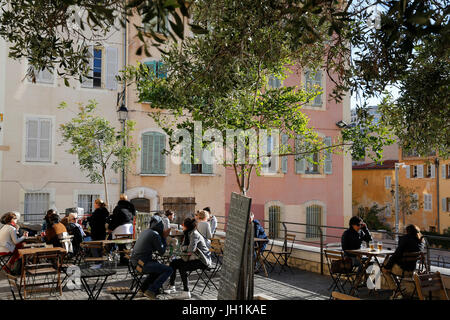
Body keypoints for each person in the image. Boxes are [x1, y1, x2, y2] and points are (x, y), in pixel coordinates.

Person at [168, 218, 212, 299]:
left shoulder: (194, 234)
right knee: (173, 263)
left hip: (202, 260)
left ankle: (186, 292)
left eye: (183, 225)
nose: (182, 226)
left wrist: (184, 248)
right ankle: (172, 286)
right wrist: (185, 248)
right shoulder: (188, 233)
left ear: (187, 226)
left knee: (183, 268)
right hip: (193, 258)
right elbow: (187, 248)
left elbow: (190, 250)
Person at [130, 215, 172, 300]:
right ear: (160, 226)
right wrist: (164, 237)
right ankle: (151, 290)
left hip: (135, 263)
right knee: (169, 269)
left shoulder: (146, 231)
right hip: (141, 265)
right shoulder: (154, 234)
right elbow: (162, 252)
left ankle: (143, 289)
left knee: (157, 267)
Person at [382, 224, 425, 294]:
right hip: (413, 270)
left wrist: (387, 267)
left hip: (402, 270)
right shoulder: (421, 241)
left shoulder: (405, 239)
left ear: (407, 232)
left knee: (384, 268)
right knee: (387, 263)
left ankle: (396, 290)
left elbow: (396, 255)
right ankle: (398, 289)